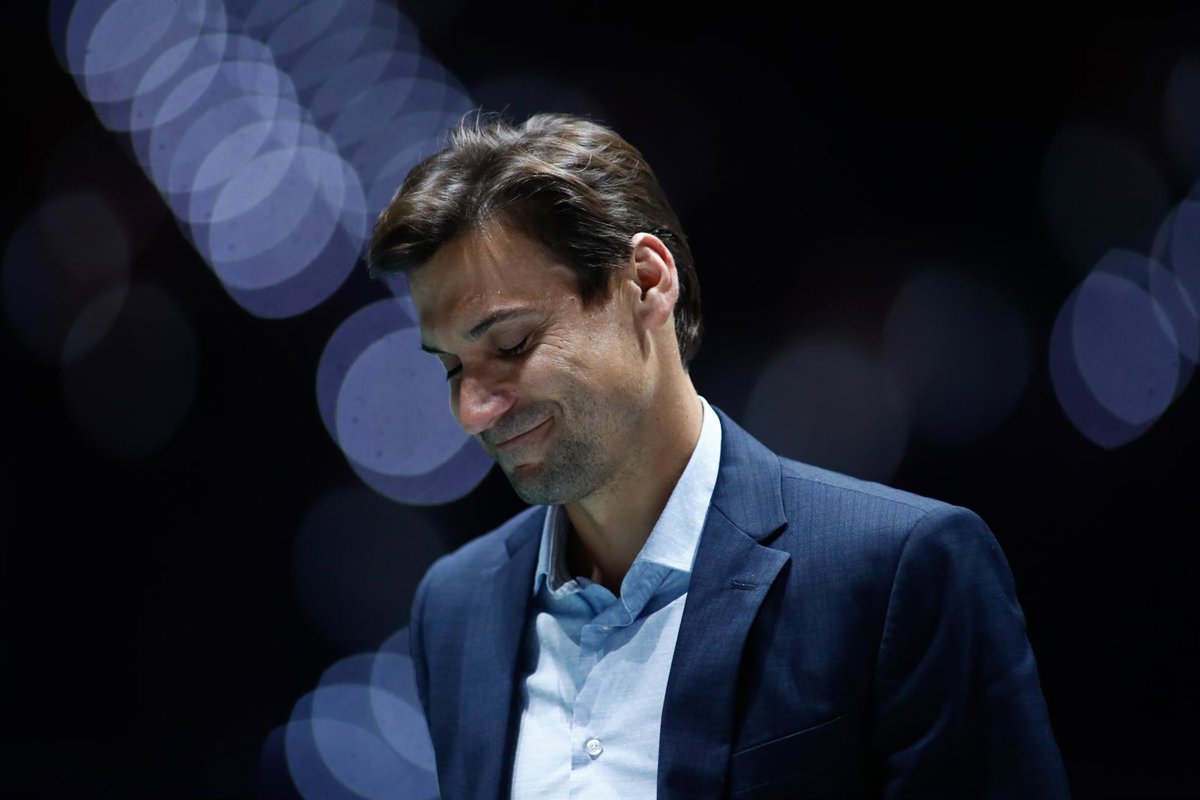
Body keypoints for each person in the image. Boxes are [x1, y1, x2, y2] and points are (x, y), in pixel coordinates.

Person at [367, 112, 1070, 799]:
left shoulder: (897, 571)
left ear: (646, 281)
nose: (472, 412)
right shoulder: (455, 609)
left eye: (512, 344)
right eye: (451, 367)